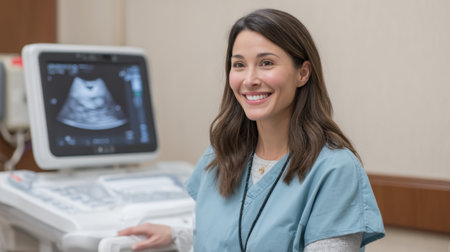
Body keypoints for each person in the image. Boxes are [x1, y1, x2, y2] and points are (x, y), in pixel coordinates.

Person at [118, 8, 385, 252]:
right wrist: (177, 236)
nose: (249, 80)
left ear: (303, 73)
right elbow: (228, 237)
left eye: (266, 63)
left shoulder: (335, 170)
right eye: (239, 65)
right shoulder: (220, 154)